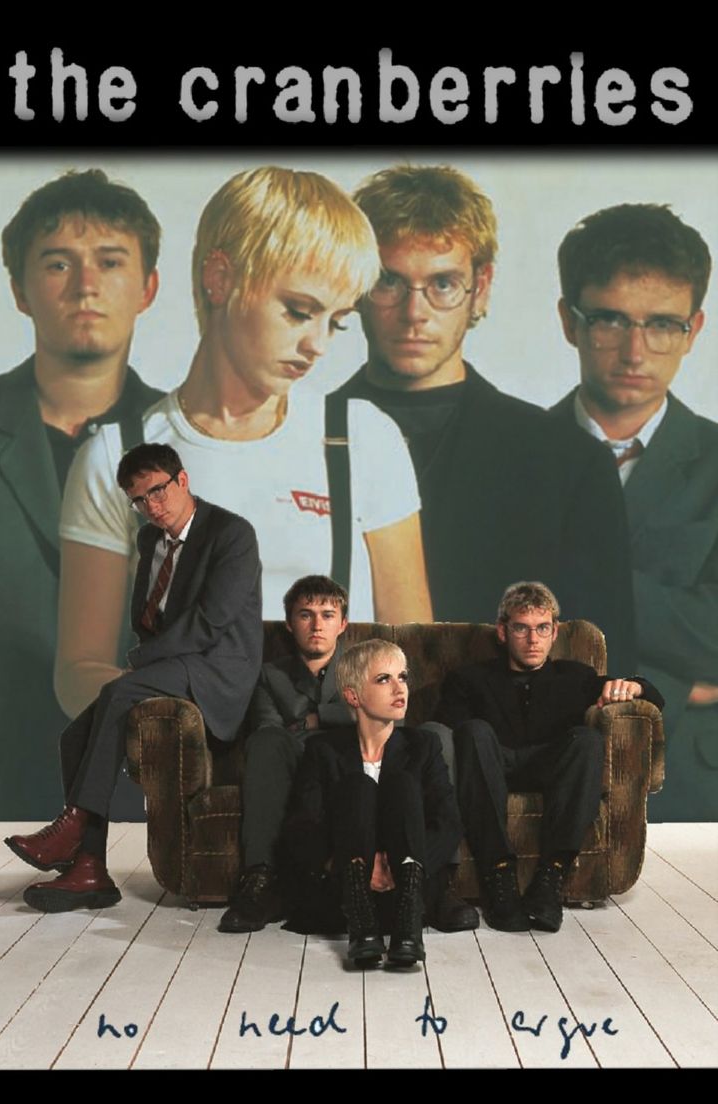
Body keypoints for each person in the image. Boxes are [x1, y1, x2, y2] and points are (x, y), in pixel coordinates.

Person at [57, 166, 432, 723]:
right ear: (219, 277)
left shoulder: (363, 438)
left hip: (334, 747)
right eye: (300, 311)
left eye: (337, 322)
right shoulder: (115, 455)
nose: (317, 345)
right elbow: (78, 671)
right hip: (190, 752)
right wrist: (177, 724)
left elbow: (416, 651)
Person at [329, 164, 636, 672]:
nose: (415, 312)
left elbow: (609, 671)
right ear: (356, 283)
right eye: (390, 281)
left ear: (482, 286)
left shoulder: (570, 461)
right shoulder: (294, 439)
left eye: (443, 283)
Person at [4, 442, 262, 913]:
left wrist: (143, 660)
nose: (152, 507)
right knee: (73, 735)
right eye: (139, 500)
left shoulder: (232, 534)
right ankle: (89, 870)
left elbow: (211, 623)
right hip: (174, 663)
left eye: (158, 492)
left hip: (219, 669)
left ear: (182, 481)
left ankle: (73, 826)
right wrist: (149, 654)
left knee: (119, 690)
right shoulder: (149, 540)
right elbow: (146, 612)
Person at [0, 169, 162, 819]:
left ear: (147, 288)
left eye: (110, 263)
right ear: (20, 291)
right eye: (58, 263)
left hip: (139, 788)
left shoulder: (190, 439)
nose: (86, 285)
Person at [550, 203, 718, 821]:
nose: (635, 350)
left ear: (694, 329)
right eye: (611, 320)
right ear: (570, 321)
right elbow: (475, 622)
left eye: (663, 325)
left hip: (696, 787)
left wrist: (575, 585)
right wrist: (680, 686)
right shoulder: (506, 457)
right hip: (540, 767)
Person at [437, 582, 663, 934]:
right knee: (474, 732)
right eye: (522, 628)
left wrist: (635, 686)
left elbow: (653, 695)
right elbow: (450, 733)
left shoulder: (576, 676)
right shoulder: (470, 679)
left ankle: (550, 877)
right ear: (503, 631)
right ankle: (498, 877)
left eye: (542, 629)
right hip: (490, 769)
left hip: (550, 767)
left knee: (587, 740)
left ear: (554, 632)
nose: (533, 639)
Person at [284, 639, 463, 967]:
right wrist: (348, 868)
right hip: (345, 894)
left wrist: (404, 871)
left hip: (407, 890)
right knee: (358, 786)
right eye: (384, 679)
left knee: (401, 783)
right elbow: (302, 827)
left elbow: (447, 823)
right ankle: (362, 930)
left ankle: (408, 930)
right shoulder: (324, 750)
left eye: (403, 677)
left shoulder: (423, 745)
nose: (400, 688)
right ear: (353, 696)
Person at [219, 574, 352, 933]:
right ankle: (259, 879)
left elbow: (376, 715)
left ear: (342, 624)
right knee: (266, 743)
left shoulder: (362, 667)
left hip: (345, 763)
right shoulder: (269, 675)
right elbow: (269, 730)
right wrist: (335, 720)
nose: (316, 625)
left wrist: (314, 717)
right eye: (305, 615)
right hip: (293, 761)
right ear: (290, 623)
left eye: (327, 615)